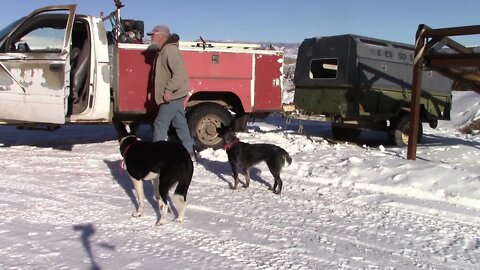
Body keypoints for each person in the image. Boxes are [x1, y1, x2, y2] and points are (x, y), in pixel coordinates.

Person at [147, 25, 196, 161]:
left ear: (162, 35)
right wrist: (153, 91)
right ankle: (190, 152)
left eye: (153, 34)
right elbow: (161, 75)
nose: (151, 36)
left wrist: (168, 90)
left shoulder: (170, 51)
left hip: (173, 95)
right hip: (174, 94)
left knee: (160, 123)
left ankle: (156, 155)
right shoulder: (163, 51)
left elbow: (180, 75)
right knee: (180, 123)